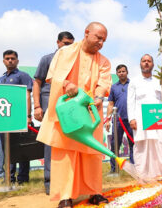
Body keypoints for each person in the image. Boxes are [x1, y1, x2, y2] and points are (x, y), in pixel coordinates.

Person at [36, 22, 112, 207]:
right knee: (65, 153)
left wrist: (99, 96)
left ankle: (94, 192)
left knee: (92, 153)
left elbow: (104, 83)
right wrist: (66, 84)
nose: (101, 43)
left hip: (90, 111)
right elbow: (53, 75)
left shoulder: (104, 61)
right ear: (86, 33)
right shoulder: (64, 52)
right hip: (68, 111)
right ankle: (65, 196)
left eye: (104, 40)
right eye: (98, 38)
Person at [33, 31, 74, 195]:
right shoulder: (47, 59)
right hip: (49, 100)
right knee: (51, 140)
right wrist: (37, 106)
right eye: (65, 43)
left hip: (69, 103)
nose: (68, 47)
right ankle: (50, 181)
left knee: (69, 140)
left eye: (71, 44)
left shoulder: (74, 60)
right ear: (58, 43)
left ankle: (69, 180)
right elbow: (37, 83)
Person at [127, 54, 162, 180]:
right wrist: (131, 119)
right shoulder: (134, 81)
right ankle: (142, 174)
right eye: (144, 61)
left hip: (156, 117)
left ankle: (160, 173)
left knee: (158, 143)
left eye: (149, 61)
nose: (146, 63)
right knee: (141, 144)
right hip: (140, 118)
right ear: (140, 64)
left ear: (153, 64)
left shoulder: (158, 80)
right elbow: (130, 101)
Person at [0, 50, 33, 184]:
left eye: (12, 58)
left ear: (17, 61)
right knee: (7, 149)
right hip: (4, 120)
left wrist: (28, 115)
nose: (10, 60)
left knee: (22, 148)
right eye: (7, 58)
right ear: (3, 61)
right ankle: (9, 178)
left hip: (19, 118)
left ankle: (23, 178)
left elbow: (27, 95)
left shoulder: (23, 76)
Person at [105, 64, 134, 173]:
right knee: (114, 145)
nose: (121, 73)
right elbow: (110, 104)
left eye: (123, 71)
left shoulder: (132, 84)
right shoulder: (114, 87)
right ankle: (114, 169)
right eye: (119, 72)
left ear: (127, 72)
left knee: (133, 144)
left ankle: (134, 168)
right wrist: (107, 120)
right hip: (118, 120)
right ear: (117, 74)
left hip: (131, 120)